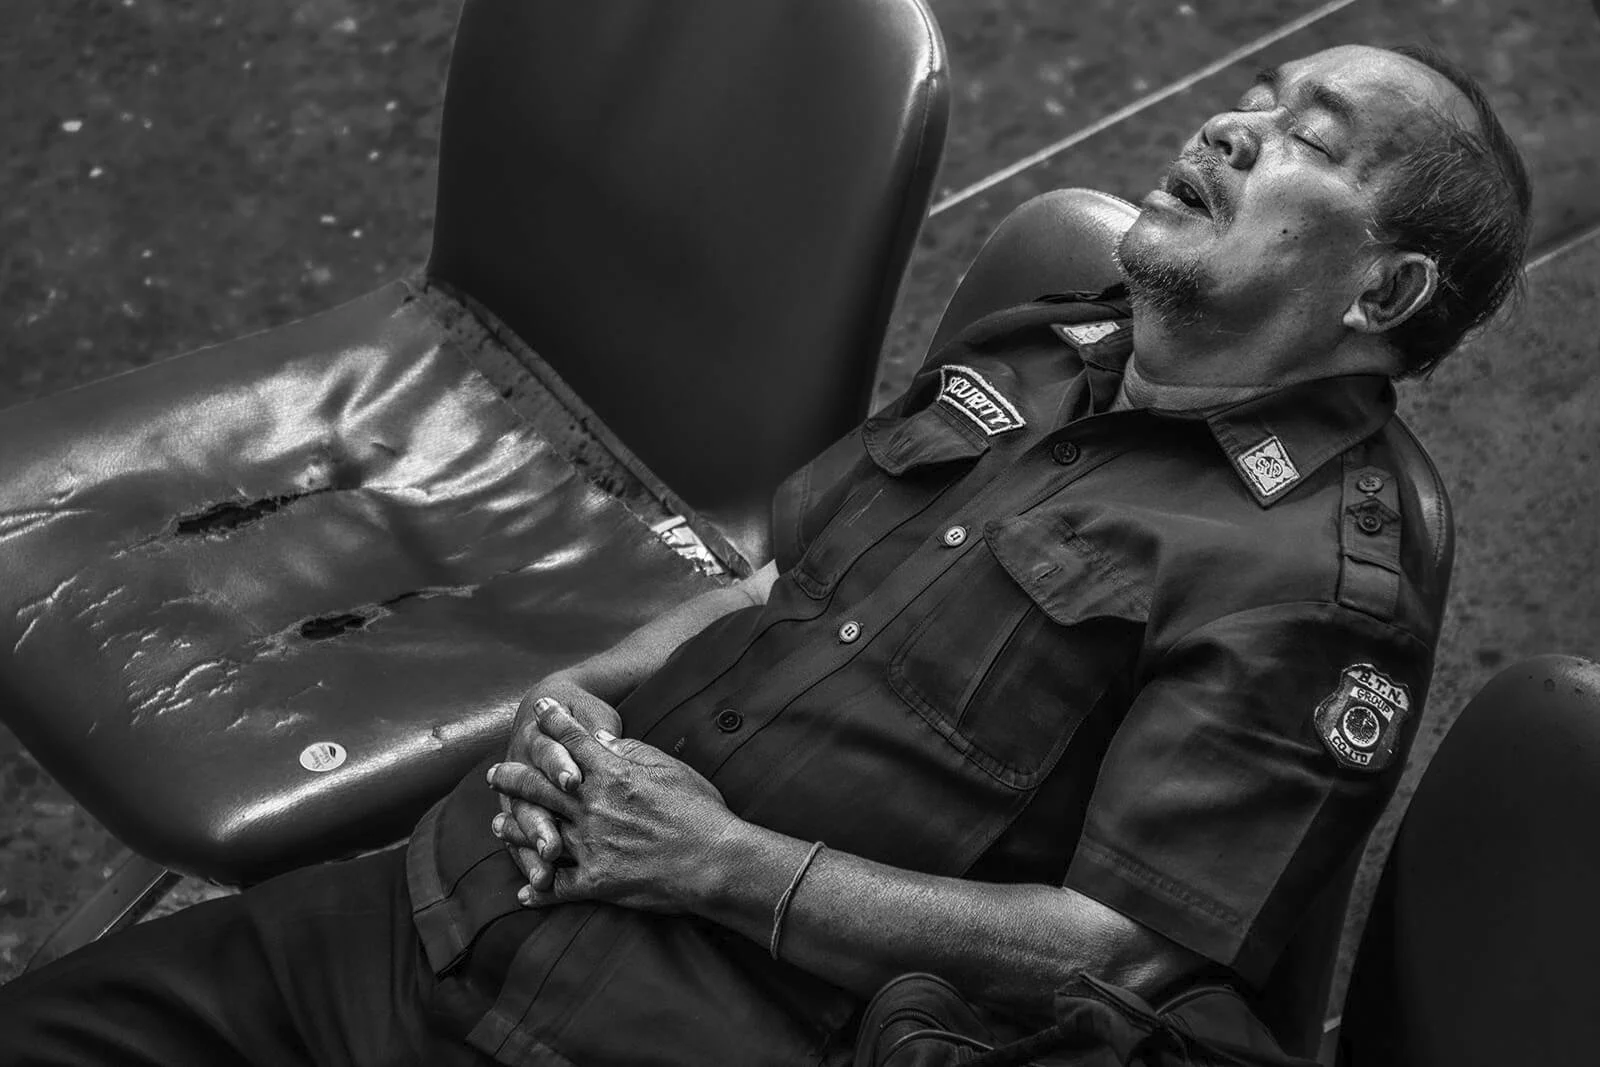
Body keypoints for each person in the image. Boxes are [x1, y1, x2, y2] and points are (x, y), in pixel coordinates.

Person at [0, 42, 1530, 1067]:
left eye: (1305, 141)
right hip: (456, 909)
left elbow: (1121, 956)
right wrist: (576, 701)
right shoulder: (1046, 348)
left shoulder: (1317, 588)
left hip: (677, 1028)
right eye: (1256, 96)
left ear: (1384, 292)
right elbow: (769, 586)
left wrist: (720, 863)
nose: (1233, 127)